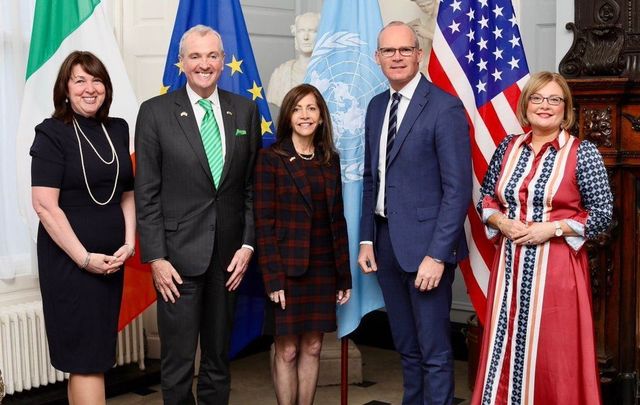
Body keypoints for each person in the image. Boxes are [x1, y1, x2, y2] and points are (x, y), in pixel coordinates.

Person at [134, 25, 261, 404]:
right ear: (181, 62)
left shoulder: (245, 111)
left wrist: (248, 244)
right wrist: (156, 257)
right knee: (177, 363)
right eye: (195, 56)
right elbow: (147, 192)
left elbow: (252, 187)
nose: (204, 64)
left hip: (229, 259)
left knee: (219, 360)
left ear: (223, 62)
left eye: (212, 56)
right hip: (176, 261)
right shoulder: (155, 113)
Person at [471, 71, 612, 405]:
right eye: (537, 98)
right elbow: (486, 199)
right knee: (504, 347)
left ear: (566, 109)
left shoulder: (583, 153)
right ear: (526, 105)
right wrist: (502, 222)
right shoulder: (508, 147)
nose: (545, 106)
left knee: (553, 354)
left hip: (558, 271)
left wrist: (553, 228)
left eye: (554, 99)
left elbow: (604, 214)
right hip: (510, 267)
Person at [357, 21, 471, 405]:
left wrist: (438, 255)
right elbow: (370, 178)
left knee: (435, 352)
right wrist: (367, 238)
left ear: (419, 54)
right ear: (377, 58)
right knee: (405, 346)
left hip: (427, 250)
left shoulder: (444, 107)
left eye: (405, 50)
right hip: (386, 245)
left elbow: (457, 191)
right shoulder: (376, 107)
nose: (397, 57)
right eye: (389, 51)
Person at [30, 51, 135, 404]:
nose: (90, 88)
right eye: (80, 80)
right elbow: (45, 205)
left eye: (97, 80)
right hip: (71, 263)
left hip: (111, 262)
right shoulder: (52, 133)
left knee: (92, 358)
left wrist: (130, 242)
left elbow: (127, 193)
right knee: (87, 358)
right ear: (65, 88)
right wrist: (84, 258)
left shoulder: (117, 129)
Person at [254, 83, 352, 405]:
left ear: (322, 117)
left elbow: (337, 221)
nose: (305, 115)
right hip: (286, 270)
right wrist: (273, 278)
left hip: (323, 268)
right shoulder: (271, 159)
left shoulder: (329, 160)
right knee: (288, 348)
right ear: (288, 116)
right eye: (297, 109)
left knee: (312, 346)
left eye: (312, 108)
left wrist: (343, 275)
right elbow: (263, 223)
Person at [266, 12, 320, 108]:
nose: (306, 37)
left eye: (312, 31)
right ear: (295, 34)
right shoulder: (280, 74)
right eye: (301, 31)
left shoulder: (332, 73)